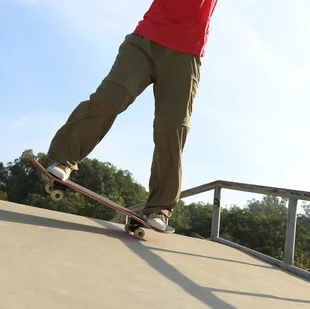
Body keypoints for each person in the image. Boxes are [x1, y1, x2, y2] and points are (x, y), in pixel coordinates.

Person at [45, 0, 219, 232]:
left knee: (172, 126)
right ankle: (64, 158)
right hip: (145, 42)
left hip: (187, 53)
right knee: (111, 97)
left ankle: (160, 208)